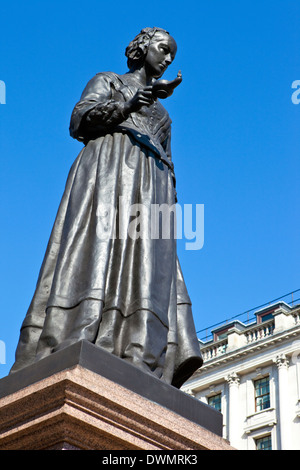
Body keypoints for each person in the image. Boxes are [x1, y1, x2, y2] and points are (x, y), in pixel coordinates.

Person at [10, 27, 202, 388]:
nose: (168, 59)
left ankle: (139, 346)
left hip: (152, 185)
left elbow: (171, 164)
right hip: (108, 171)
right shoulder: (109, 81)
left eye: (172, 55)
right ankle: (82, 330)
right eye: (163, 49)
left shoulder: (164, 116)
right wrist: (132, 103)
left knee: (148, 266)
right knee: (97, 250)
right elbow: (79, 121)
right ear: (143, 48)